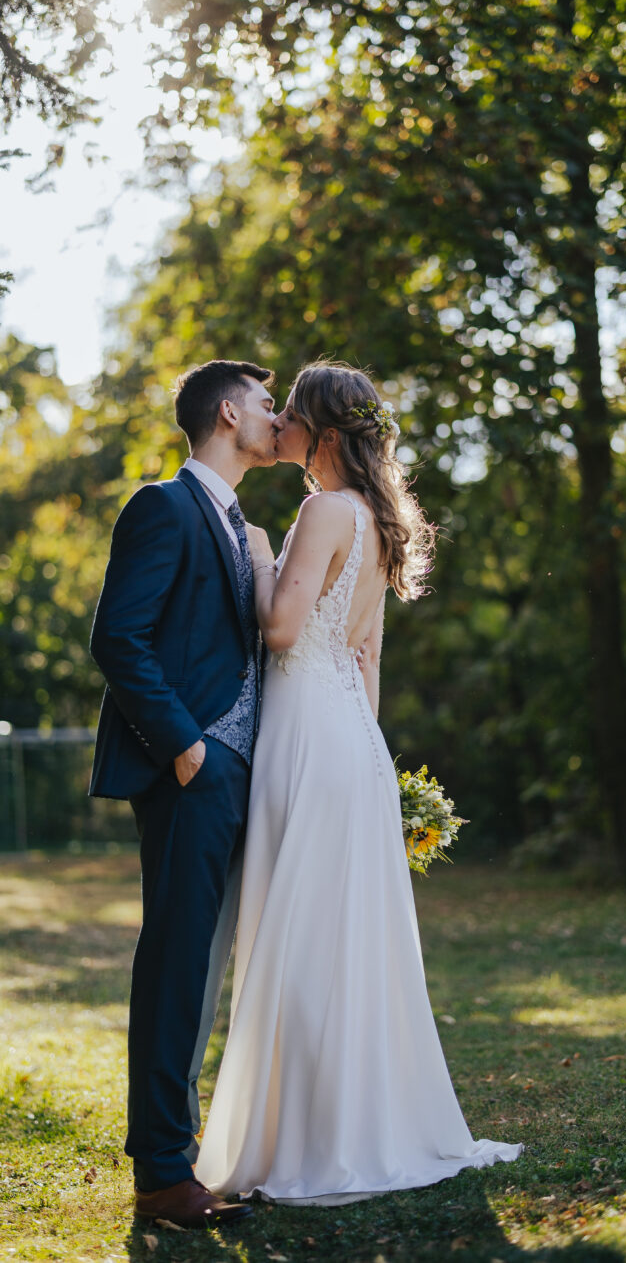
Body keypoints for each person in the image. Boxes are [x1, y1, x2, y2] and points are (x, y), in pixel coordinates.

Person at [194, 361, 523, 1204]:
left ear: (326, 437)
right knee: (343, 942)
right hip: (352, 741)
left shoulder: (320, 510)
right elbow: (365, 654)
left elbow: (279, 629)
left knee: (297, 937)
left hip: (305, 736)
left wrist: (261, 553)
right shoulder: (376, 520)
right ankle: (351, 1122)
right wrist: (372, 755)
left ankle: (306, 1139)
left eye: (294, 417)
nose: (283, 430)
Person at [89, 359, 277, 1228]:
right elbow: (119, 638)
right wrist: (187, 748)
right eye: (268, 405)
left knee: (216, 969)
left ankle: (207, 1150)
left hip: (247, 772)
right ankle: (164, 1172)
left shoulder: (245, 527)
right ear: (230, 413)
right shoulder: (162, 505)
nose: (276, 417)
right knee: (178, 965)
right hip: (191, 771)